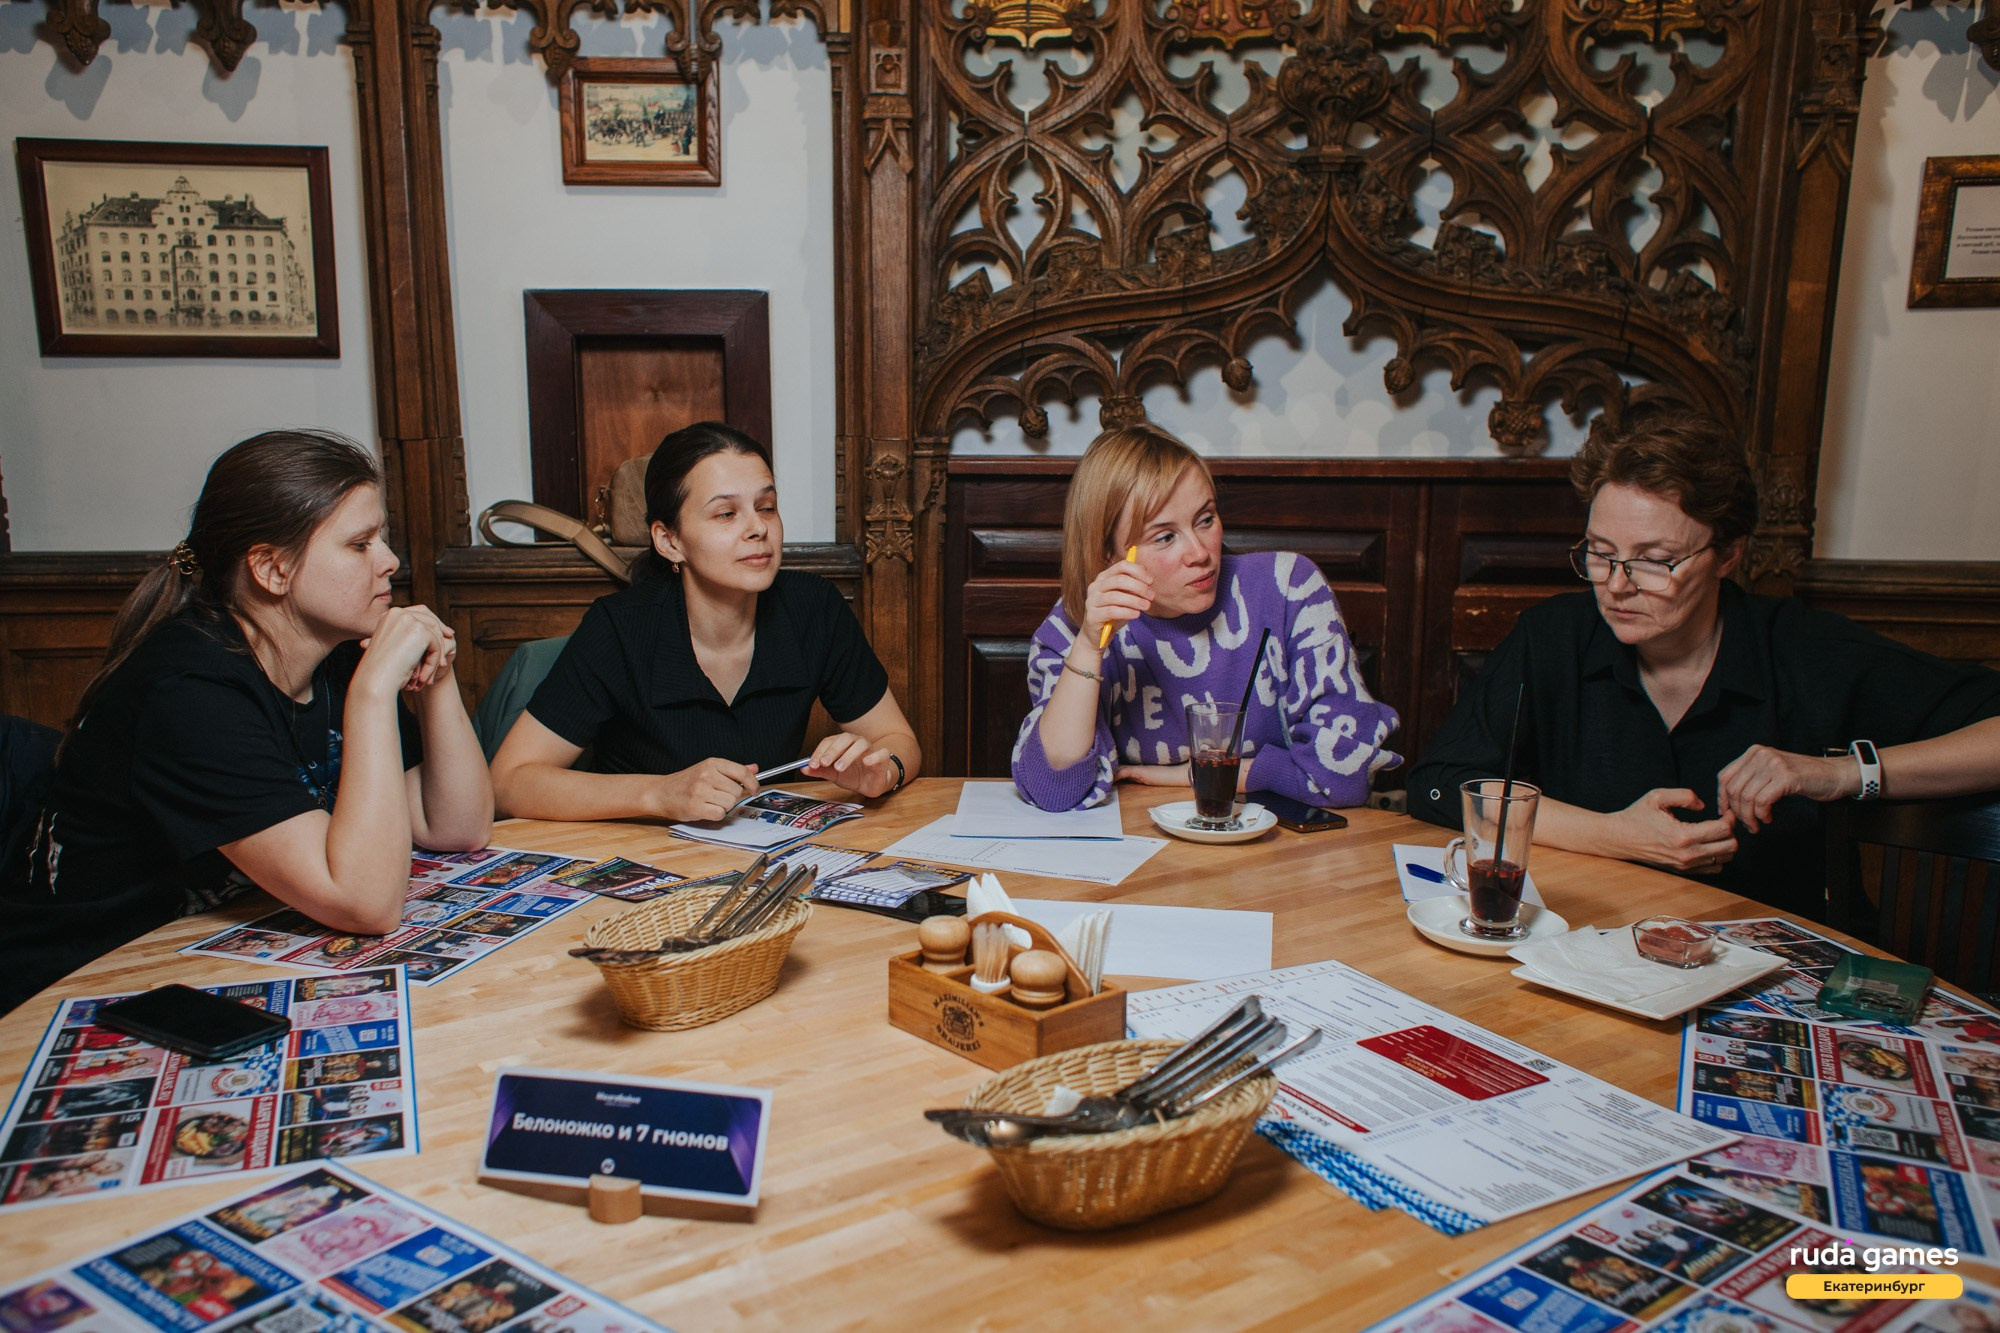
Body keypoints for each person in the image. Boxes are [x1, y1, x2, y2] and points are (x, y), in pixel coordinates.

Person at [1408, 410, 2000, 916]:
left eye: (1655, 560)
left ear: (1728, 556)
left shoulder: (1809, 653)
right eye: (1600, 553)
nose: (1616, 585)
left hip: (1768, 975)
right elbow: (1437, 790)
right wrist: (1619, 836)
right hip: (1587, 952)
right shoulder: (1552, 637)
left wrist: (1842, 773)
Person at [2, 431, 492, 1015]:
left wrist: (434, 680)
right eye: (359, 544)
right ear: (272, 569)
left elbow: (455, 827)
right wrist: (373, 693)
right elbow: (366, 903)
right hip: (88, 986)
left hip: (214, 954)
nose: (389, 560)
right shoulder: (190, 691)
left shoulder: (335, 653)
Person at [491, 421, 920, 821]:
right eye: (726, 514)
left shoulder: (814, 608)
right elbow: (509, 780)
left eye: (766, 507)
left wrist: (883, 772)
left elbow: (898, 741)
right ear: (669, 540)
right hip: (646, 863)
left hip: (767, 858)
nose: (758, 528)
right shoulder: (621, 627)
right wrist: (659, 794)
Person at [1010, 424, 1400, 812]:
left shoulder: (1289, 588)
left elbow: (1344, 776)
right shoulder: (1075, 625)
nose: (1200, 552)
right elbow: (1054, 790)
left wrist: (1197, 773)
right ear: (1108, 555)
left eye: (1206, 518)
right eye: (1164, 536)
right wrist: (1089, 645)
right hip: (1141, 854)